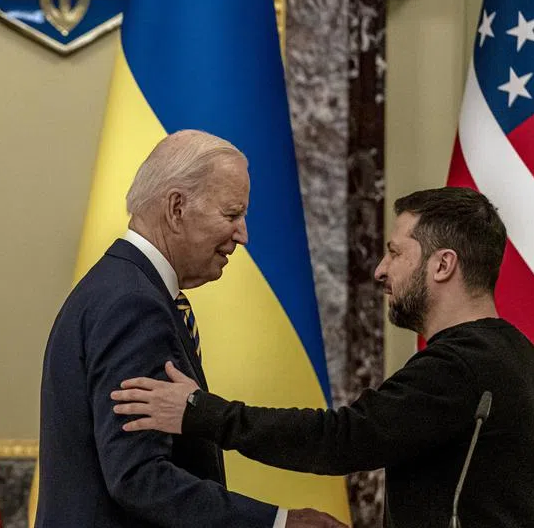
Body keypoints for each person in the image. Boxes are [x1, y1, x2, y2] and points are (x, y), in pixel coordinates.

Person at [112, 186, 534, 528]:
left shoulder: (458, 367)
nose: (380, 270)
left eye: (395, 252)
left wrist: (200, 413)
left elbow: (341, 440)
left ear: (443, 265)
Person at [36, 130, 346, 528]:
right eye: (232, 214)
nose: (243, 235)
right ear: (177, 208)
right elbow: (138, 478)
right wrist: (279, 523)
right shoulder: (133, 305)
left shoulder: (119, 286)